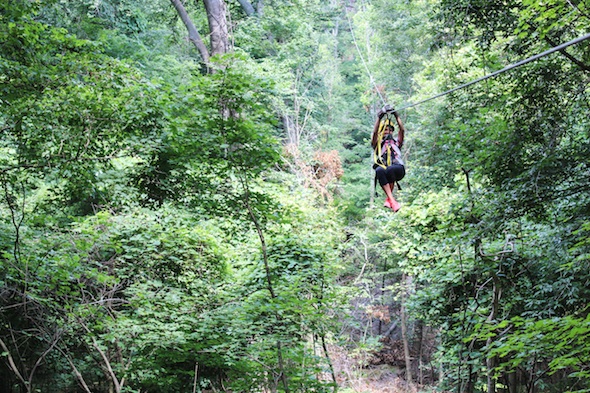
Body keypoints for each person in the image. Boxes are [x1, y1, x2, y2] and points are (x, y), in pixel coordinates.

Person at [371, 105, 405, 212]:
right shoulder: (378, 144)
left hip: (398, 169)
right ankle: (391, 200)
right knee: (379, 170)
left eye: (390, 130)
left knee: (389, 169)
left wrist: (396, 115)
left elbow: (402, 130)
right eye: (385, 130)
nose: (387, 132)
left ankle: (390, 199)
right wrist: (379, 117)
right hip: (387, 171)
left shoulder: (396, 142)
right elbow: (375, 133)